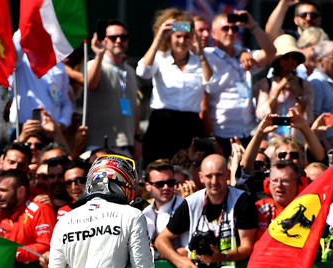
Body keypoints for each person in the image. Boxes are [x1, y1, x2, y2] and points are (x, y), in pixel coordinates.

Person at [155, 154, 258, 268]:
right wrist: (180, 262)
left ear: (228, 174)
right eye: (209, 176)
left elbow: (247, 247)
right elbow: (161, 240)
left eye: (219, 175)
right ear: (201, 177)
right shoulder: (191, 202)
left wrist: (221, 256)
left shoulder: (242, 200)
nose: (214, 181)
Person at [137, 9, 214, 165]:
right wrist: (158, 39)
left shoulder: (200, 60)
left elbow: (212, 85)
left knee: (189, 171)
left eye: (186, 37)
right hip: (162, 122)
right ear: (170, 37)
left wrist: (200, 53)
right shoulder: (160, 57)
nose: (181, 41)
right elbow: (142, 72)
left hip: (190, 123)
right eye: (177, 36)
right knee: (159, 168)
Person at [204, 11, 275, 156]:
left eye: (234, 29)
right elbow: (202, 105)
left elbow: (271, 52)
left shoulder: (244, 55)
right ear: (213, 33)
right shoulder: (207, 56)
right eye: (225, 28)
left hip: (246, 133)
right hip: (221, 134)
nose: (230, 32)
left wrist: (253, 26)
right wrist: (211, 138)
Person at [84, 20, 141, 158]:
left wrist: (137, 138)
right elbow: (91, 84)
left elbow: (135, 106)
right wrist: (98, 54)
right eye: (113, 37)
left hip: (125, 146)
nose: (119, 40)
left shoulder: (130, 71)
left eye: (123, 37)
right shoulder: (94, 64)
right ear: (103, 40)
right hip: (99, 147)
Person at [255, 35, 314, 145]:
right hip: (271, 141)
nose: (290, 61)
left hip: (297, 141)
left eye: (294, 57)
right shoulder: (265, 84)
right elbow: (261, 115)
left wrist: (299, 93)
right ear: (278, 60)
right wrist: (277, 90)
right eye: (286, 57)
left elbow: (308, 117)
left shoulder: (305, 84)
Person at [0, 168, 55, 266]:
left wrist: (13, 252)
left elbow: (47, 247)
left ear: (21, 191)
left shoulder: (40, 209)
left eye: (3, 190)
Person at [141, 159, 186, 256]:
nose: (166, 187)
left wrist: (158, 253)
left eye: (170, 183)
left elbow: (187, 250)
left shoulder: (184, 207)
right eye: (160, 184)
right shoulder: (146, 212)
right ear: (148, 186)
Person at [308, 40, 333, 149]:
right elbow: (313, 118)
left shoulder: (329, 81)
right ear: (320, 60)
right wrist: (326, 145)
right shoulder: (317, 82)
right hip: (328, 149)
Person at [255, 159, 303, 239]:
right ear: (268, 183)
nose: (279, 185)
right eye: (275, 180)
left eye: (285, 181)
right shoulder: (260, 208)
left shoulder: (307, 208)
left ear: (299, 184)